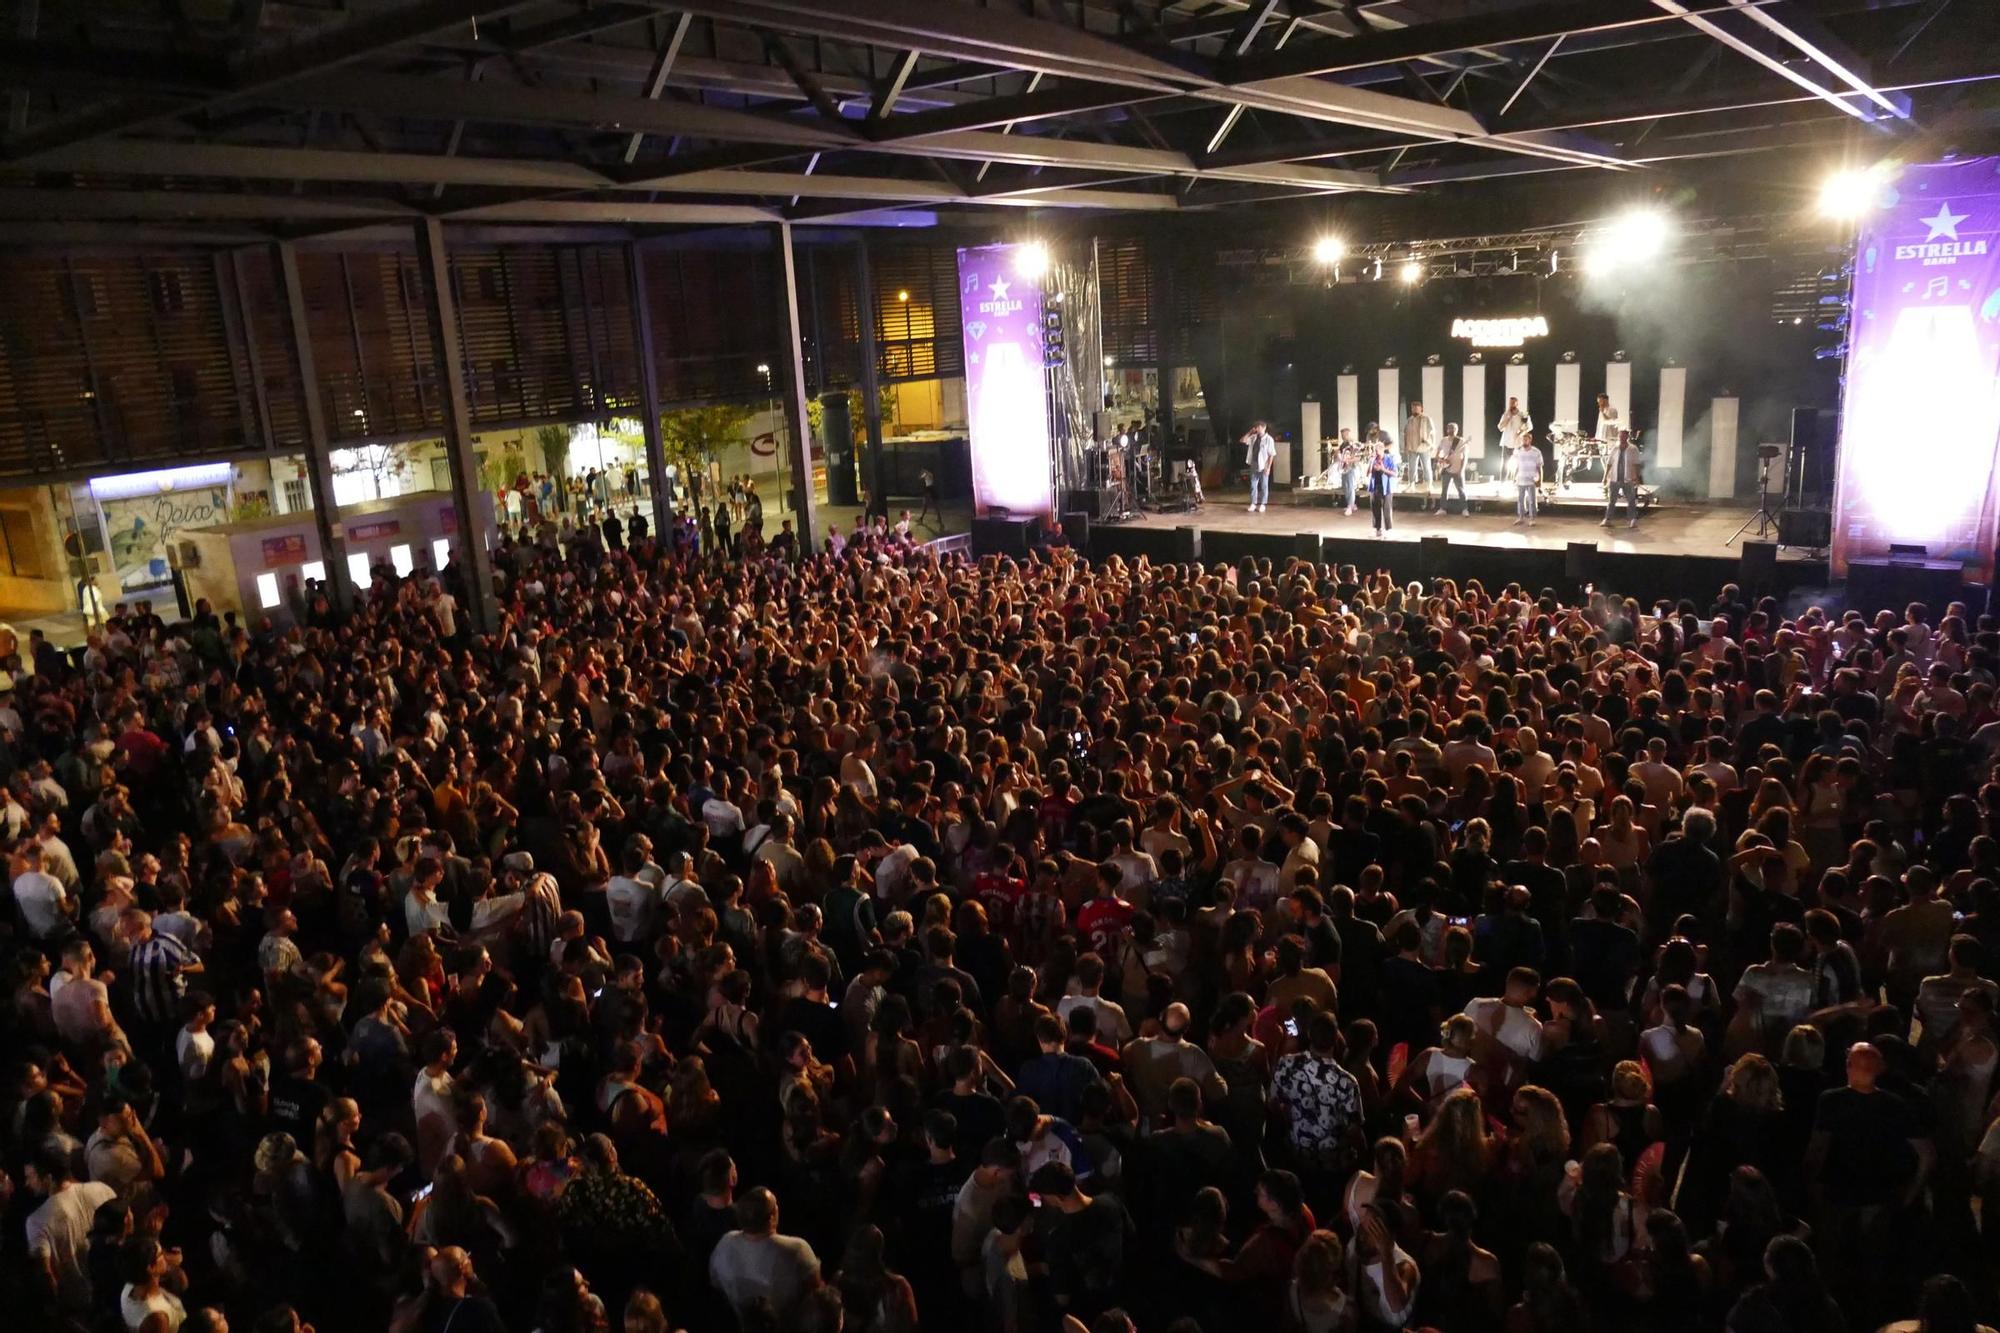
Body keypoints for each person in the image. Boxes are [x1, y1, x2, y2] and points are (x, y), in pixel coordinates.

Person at [1602, 428, 1642, 529]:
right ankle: (1608, 519)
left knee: (1631, 500)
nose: (1621, 438)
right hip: (1615, 478)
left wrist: (1637, 477)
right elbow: (1609, 463)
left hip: (1627, 478)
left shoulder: (1633, 449)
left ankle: (1633, 520)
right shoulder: (1615, 448)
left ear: (1627, 436)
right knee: (1612, 500)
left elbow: (1637, 464)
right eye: (1620, 436)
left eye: (1623, 436)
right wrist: (1605, 477)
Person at [1432, 423, 1467, 515]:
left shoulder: (1461, 441)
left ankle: (1464, 509)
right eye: (1450, 429)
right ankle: (1442, 509)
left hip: (1458, 469)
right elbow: (1437, 453)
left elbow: (1465, 457)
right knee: (1444, 490)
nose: (1452, 430)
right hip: (1446, 469)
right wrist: (1440, 460)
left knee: (1461, 490)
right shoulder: (1443, 440)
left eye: (1454, 429)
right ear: (1447, 430)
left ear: (1457, 430)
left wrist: (1462, 470)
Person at [1511, 433, 1544, 527]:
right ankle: (1521, 517)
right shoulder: (1518, 451)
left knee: (1532, 500)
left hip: (1531, 479)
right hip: (1521, 478)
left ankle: (1532, 518)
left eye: (1526, 440)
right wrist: (1514, 477)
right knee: (1520, 500)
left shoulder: (1536, 452)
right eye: (1523, 440)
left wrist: (1539, 481)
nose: (1524, 441)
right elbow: (1517, 466)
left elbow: (1539, 467)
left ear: (1530, 440)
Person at [1367, 438, 1398, 536]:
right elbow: (1368, 473)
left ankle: (1389, 529)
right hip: (1375, 486)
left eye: (1378, 451)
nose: (1376, 453)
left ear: (1383, 450)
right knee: (1375, 508)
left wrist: (1383, 469)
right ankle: (1377, 528)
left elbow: (1395, 473)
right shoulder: (1373, 460)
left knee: (1387, 508)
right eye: (1375, 451)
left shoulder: (1390, 458)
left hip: (1387, 487)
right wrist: (1371, 463)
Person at [1245, 421, 1278, 513]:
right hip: (1254, 464)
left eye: (1259, 427)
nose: (1257, 429)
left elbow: (1271, 454)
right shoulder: (1253, 437)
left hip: (1264, 465)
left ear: (1264, 428)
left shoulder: (1269, 439)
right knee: (1253, 485)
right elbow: (1243, 440)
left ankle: (1263, 504)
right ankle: (1253, 503)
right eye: (1256, 427)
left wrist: (1268, 467)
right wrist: (1250, 432)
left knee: (1264, 485)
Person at [1403, 401, 1435, 491]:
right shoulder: (1409, 419)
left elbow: (1433, 432)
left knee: (1426, 466)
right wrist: (1405, 445)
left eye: (1417, 408)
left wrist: (1432, 444)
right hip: (1412, 446)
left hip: (1423, 446)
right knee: (1412, 467)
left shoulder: (1426, 418)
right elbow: (1405, 433)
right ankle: (1411, 484)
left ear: (1421, 409)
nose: (1415, 409)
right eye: (1413, 408)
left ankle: (1429, 484)